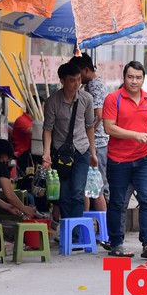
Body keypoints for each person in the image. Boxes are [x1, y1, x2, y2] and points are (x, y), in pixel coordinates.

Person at [102, 60, 147, 259]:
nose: (134, 81)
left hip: (143, 158)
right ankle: (117, 244)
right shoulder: (113, 99)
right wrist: (135, 135)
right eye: (130, 77)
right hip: (118, 160)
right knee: (118, 203)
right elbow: (109, 128)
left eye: (138, 77)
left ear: (143, 79)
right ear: (124, 78)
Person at [42, 62, 97, 220]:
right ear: (62, 80)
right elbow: (47, 128)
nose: (77, 84)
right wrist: (47, 153)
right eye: (72, 80)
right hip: (61, 154)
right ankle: (67, 230)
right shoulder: (52, 102)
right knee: (64, 196)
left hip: (81, 150)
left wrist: (93, 153)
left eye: (79, 79)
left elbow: (89, 127)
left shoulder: (87, 99)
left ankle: (76, 236)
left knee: (78, 193)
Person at [70, 53, 109, 213]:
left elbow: (98, 114)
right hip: (96, 142)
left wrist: (87, 132)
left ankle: (99, 228)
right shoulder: (93, 84)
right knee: (89, 188)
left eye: (78, 73)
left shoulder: (94, 85)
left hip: (97, 143)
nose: (77, 78)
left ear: (86, 70)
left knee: (94, 189)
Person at [0, 138, 37, 218]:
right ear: (4, 157)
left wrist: (8, 206)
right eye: (10, 159)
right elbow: (9, 194)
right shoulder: (1, 167)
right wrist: (24, 209)